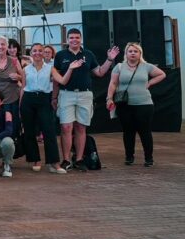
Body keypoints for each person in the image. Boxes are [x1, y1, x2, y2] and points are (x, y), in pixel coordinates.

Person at [54, 28, 119, 171]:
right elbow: (56, 78)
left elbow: (100, 72)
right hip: (66, 94)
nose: (74, 40)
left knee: (81, 127)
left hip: (85, 95)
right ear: (67, 39)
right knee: (66, 127)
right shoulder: (60, 55)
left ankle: (78, 159)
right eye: (71, 38)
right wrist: (54, 97)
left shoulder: (88, 55)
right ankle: (65, 160)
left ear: (81, 38)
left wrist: (109, 59)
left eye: (77, 37)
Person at [107, 42, 166, 167]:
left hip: (144, 104)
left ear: (140, 53)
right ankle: (129, 157)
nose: (133, 53)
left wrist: (150, 83)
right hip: (125, 104)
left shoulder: (146, 66)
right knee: (128, 131)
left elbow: (162, 74)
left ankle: (148, 158)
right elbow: (113, 83)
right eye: (130, 51)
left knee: (145, 131)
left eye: (135, 51)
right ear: (126, 54)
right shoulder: (119, 66)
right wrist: (109, 98)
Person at [21, 43, 64, 174]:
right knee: (29, 131)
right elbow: (23, 87)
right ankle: (35, 160)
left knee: (49, 130)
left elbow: (62, 81)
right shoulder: (25, 69)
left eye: (40, 51)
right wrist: (19, 107)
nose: (37, 53)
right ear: (31, 53)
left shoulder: (50, 68)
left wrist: (71, 69)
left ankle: (54, 162)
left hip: (44, 99)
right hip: (28, 99)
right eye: (35, 51)